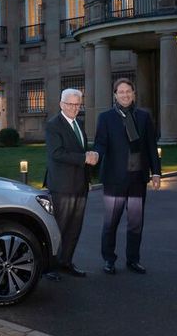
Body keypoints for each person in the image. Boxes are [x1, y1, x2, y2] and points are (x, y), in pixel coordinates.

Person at [93, 78, 161, 275]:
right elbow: (100, 143)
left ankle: (133, 259)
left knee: (135, 223)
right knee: (110, 223)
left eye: (128, 91)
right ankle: (109, 259)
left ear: (134, 94)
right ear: (115, 95)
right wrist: (95, 156)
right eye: (120, 92)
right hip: (114, 179)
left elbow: (150, 146)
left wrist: (155, 172)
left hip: (137, 179)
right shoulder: (106, 118)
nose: (125, 95)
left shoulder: (143, 116)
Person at [43, 88, 98, 281]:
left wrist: (88, 177)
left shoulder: (79, 124)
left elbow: (80, 149)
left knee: (75, 227)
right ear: (61, 104)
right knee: (59, 227)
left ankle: (66, 262)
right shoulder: (53, 125)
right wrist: (85, 157)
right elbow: (57, 154)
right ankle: (50, 267)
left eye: (77, 104)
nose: (74, 108)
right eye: (70, 104)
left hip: (80, 184)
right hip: (62, 186)